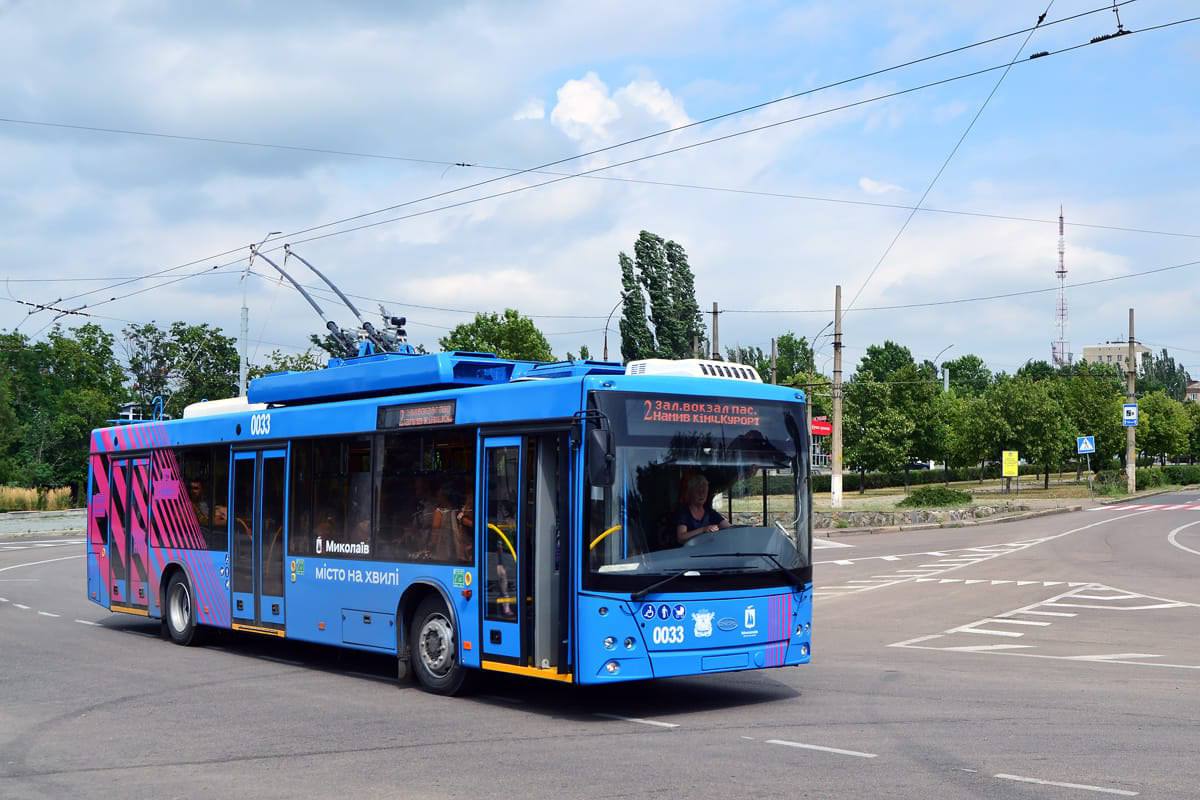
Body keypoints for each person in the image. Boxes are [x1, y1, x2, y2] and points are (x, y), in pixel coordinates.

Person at [675, 474, 730, 544]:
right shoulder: (684, 512)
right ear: (690, 493)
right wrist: (703, 529)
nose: (701, 494)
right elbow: (681, 538)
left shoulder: (709, 512)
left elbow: (728, 528)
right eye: (698, 491)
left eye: (704, 491)